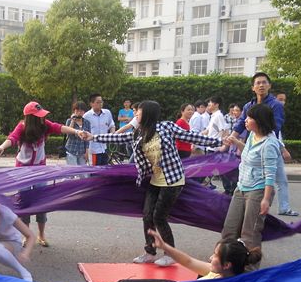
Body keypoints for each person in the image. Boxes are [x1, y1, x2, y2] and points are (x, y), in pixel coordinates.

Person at [86, 100, 222, 266]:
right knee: (147, 215)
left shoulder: (166, 127)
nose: (136, 114)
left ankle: (170, 254)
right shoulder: (139, 133)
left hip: (172, 180)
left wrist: (220, 142)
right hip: (154, 179)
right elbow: (119, 137)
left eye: (139, 112)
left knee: (159, 217)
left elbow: (191, 136)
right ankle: (150, 251)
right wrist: (93, 137)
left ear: (148, 114)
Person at [0, 101, 88, 247]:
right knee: (25, 203)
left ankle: (41, 235)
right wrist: (1, 147)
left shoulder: (44, 125)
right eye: (39, 116)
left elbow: (59, 127)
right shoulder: (22, 127)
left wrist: (76, 132)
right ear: (31, 118)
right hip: (23, 171)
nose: (42, 118)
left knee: (42, 203)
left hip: (40, 170)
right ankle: (27, 236)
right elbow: (12, 138)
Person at [230, 72, 299, 217]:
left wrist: (281, 148)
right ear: (253, 87)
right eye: (258, 83)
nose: (261, 85)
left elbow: (275, 127)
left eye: (264, 82)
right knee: (247, 173)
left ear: (269, 86)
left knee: (277, 177)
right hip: (252, 145)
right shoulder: (249, 105)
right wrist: (230, 139)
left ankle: (283, 207)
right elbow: (240, 124)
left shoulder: (275, 105)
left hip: (268, 146)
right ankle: (247, 203)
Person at [221, 103, 280, 268]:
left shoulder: (269, 144)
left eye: (249, 118)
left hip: (258, 191)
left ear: (259, 121)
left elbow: (270, 174)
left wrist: (266, 199)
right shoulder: (252, 136)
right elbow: (247, 152)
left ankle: (250, 269)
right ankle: (226, 262)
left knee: (250, 233)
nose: (245, 120)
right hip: (241, 187)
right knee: (229, 229)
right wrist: (236, 142)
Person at [108, 229, 263, 282]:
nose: (211, 257)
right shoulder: (219, 273)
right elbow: (188, 261)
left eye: (215, 255)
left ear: (227, 264)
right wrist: (165, 247)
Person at [64, 101, 90, 165]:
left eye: (81, 111)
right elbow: (68, 134)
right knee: (73, 170)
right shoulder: (69, 121)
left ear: (84, 112)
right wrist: (73, 121)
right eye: (77, 110)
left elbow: (87, 139)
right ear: (74, 111)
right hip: (71, 150)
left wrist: (87, 152)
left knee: (83, 171)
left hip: (82, 151)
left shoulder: (87, 122)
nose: (79, 113)